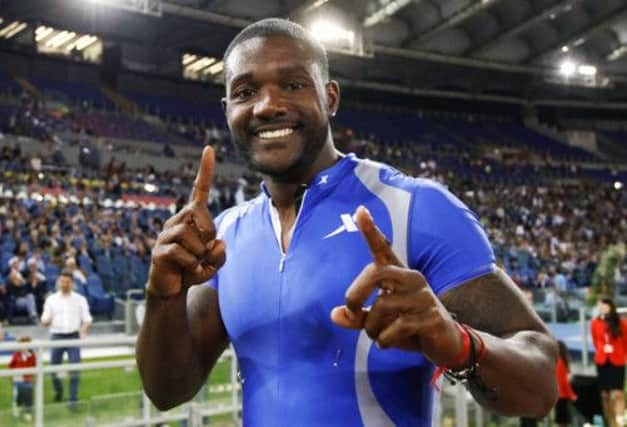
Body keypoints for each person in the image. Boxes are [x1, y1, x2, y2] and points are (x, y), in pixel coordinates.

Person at [136, 18, 558, 426]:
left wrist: (460, 343)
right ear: (228, 110)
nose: (267, 106)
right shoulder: (224, 236)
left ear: (331, 98)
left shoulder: (414, 209)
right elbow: (167, 390)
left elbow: (541, 384)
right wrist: (162, 298)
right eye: (246, 92)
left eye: (293, 84)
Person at [41, 269, 92, 406]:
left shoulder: (80, 299)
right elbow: (44, 319)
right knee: (53, 369)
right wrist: (47, 321)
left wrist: (84, 328)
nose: (64, 284)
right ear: (59, 282)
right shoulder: (51, 299)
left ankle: (73, 400)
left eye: (67, 282)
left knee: (75, 369)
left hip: (73, 337)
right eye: (62, 281)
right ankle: (58, 392)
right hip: (57, 336)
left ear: (72, 283)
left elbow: (87, 319)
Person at [591, 298, 627, 427]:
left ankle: (620, 420)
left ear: (611, 307)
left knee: (616, 393)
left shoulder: (621, 323)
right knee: (605, 395)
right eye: (601, 305)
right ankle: (610, 422)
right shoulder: (595, 323)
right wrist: (602, 350)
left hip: (617, 361)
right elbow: (595, 341)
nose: (603, 307)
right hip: (602, 361)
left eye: (606, 305)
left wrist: (622, 355)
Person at [8, 336, 37, 420]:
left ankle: (28, 412)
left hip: (28, 379)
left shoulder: (31, 356)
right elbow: (11, 366)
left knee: (28, 395)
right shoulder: (16, 355)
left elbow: (34, 367)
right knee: (18, 395)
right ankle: (16, 407)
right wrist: (11, 377)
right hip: (17, 379)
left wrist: (34, 377)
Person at [555, 340, 577, 427]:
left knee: (562, 421)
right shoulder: (560, 363)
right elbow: (563, 382)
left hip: (560, 396)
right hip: (562, 396)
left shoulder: (558, 362)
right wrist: (572, 395)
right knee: (563, 422)